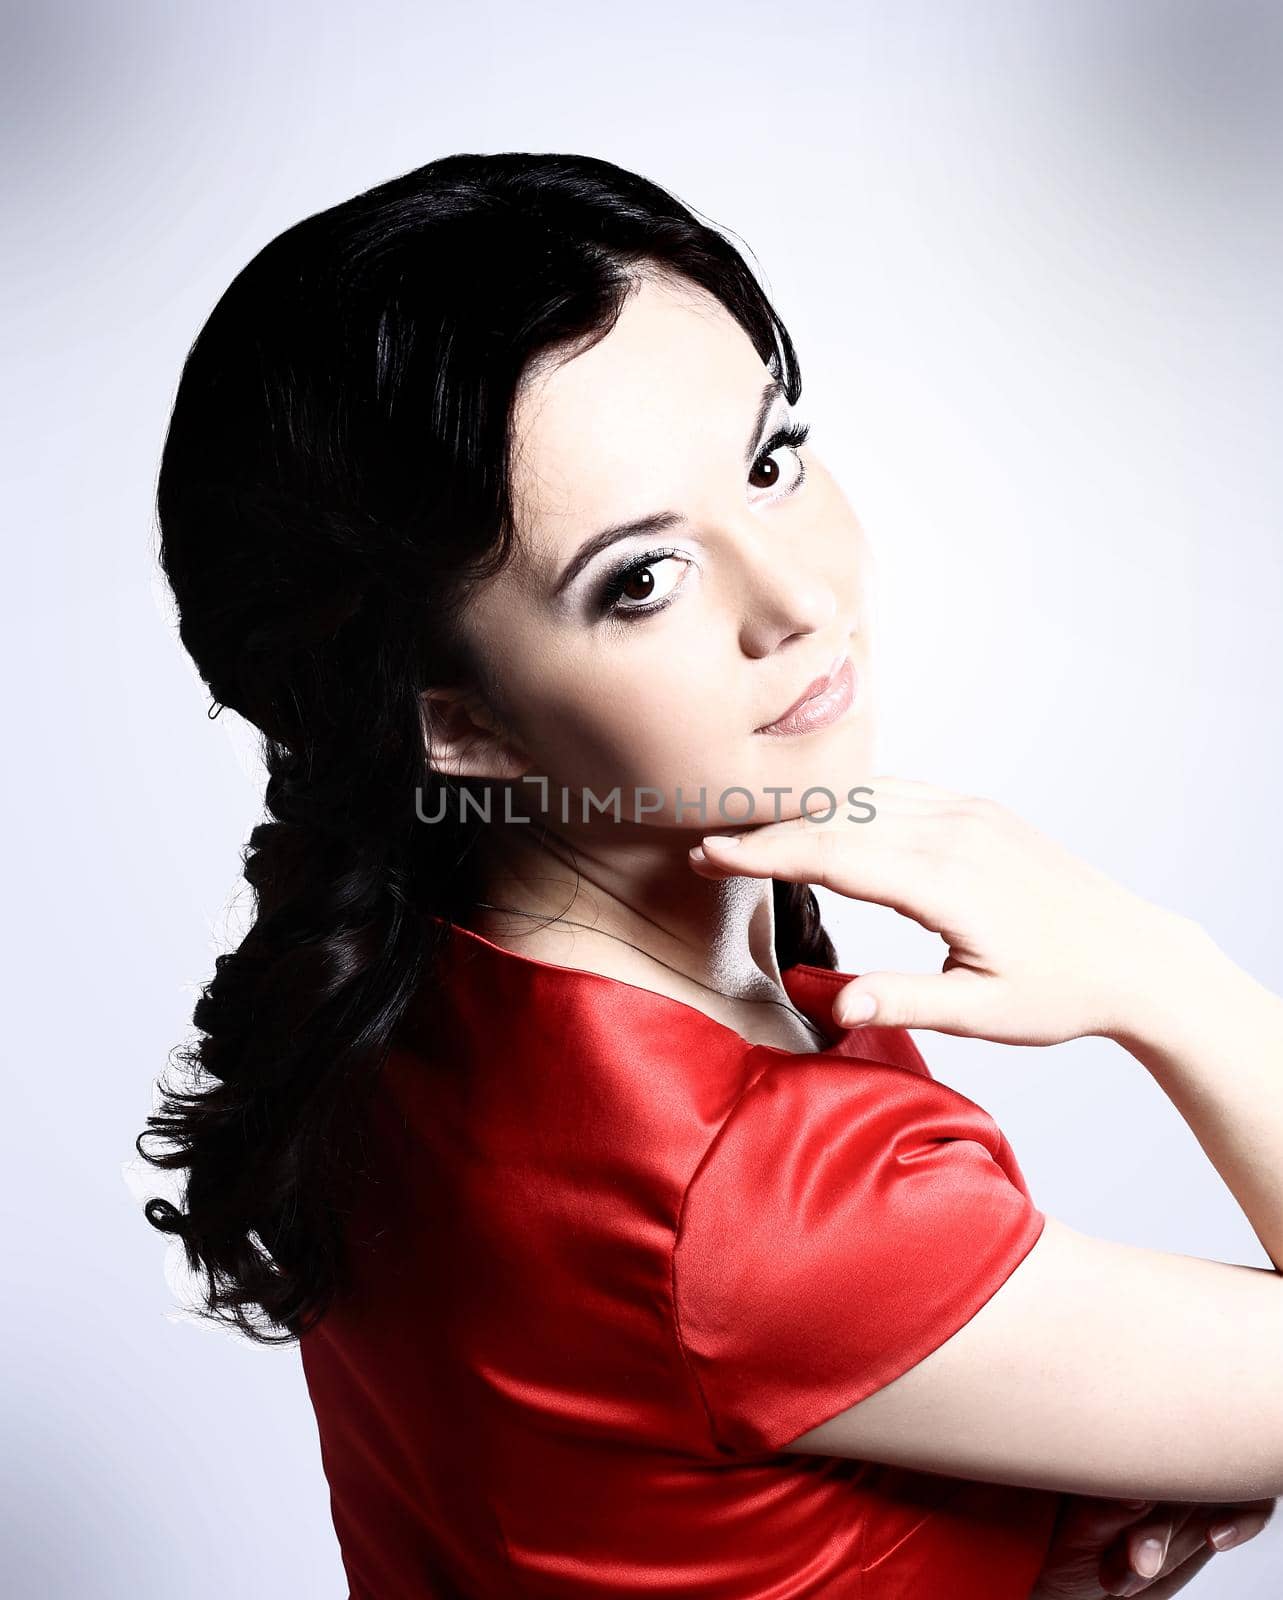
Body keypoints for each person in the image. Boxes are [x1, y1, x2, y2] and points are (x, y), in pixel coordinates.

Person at [137, 152, 1281, 1598]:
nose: (801, 601)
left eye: (770, 460)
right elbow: (729, 1290)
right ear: (459, 723)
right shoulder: (738, 1183)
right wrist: (1161, 975)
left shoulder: (415, 999)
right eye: (643, 577)